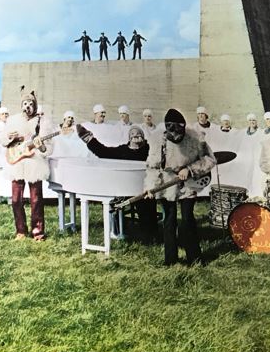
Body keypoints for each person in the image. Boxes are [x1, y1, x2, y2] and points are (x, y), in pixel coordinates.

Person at [144, 109, 216, 265]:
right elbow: (152, 167)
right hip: (167, 183)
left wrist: (190, 170)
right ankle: (170, 260)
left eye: (179, 135)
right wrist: (150, 187)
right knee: (169, 221)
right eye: (173, 136)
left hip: (188, 184)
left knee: (187, 219)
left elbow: (210, 160)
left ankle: (195, 258)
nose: (177, 138)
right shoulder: (158, 141)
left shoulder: (196, 138)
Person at [80, 124, 158, 241]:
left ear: (143, 137)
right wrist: (89, 140)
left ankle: (150, 234)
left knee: (148, 203)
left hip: (144, 188)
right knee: (116, 201)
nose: (135, 135)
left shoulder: (149, 150)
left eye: (138, 134)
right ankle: (117, 230)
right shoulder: (123, 150)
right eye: (132, 134)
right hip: (125, 188)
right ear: (129, 138)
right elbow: (103, 152)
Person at [1, 88, 54, 241]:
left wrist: (41, 147)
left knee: (36, 199)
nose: (28, 106)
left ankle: (38, 232)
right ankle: (21, 231)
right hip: (16, 161)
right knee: (16, 199)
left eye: (31, 104)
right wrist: (9, 137)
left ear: (35, 106)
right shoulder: (13, 120)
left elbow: (48, 147)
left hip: (35, 163)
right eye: (25, 103)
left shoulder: (42, 122)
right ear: (21, 105)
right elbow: (3, 139)